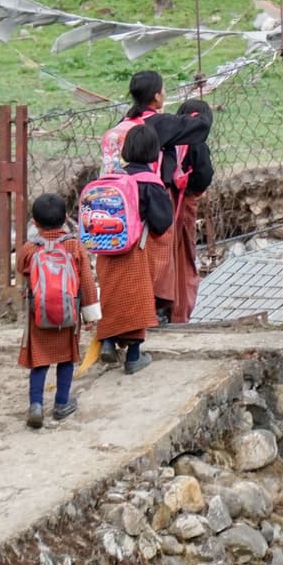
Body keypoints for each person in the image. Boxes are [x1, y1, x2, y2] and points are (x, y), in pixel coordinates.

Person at [94, 122, 175, 374]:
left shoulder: (113, 179)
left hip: (106, 250)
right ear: (154, 152)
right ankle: (133, 356)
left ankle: (107, 341)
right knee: (138, 300)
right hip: (135, 252)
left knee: (110, 296)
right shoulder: (152, 183)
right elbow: (162, 222)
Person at [15, 193, 101, 429]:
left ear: (35, 222)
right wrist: (90, 315)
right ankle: (62, 403)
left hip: (38, 314)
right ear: (65, 219)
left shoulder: (29, 249)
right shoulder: (74, 246)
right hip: (68, 314)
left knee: (39, 360)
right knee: (66, 358)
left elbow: (22, 271)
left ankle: (36, 405)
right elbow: (86, 282)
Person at [151, 98, 214, 326]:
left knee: (161, 253)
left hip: (160, 200)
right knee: (184, 256)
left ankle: (157, 307)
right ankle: (178, 313)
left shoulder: (168, 139)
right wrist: (192, 193)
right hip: (183, 203)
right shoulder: (197, 143)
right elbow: (204, 175)